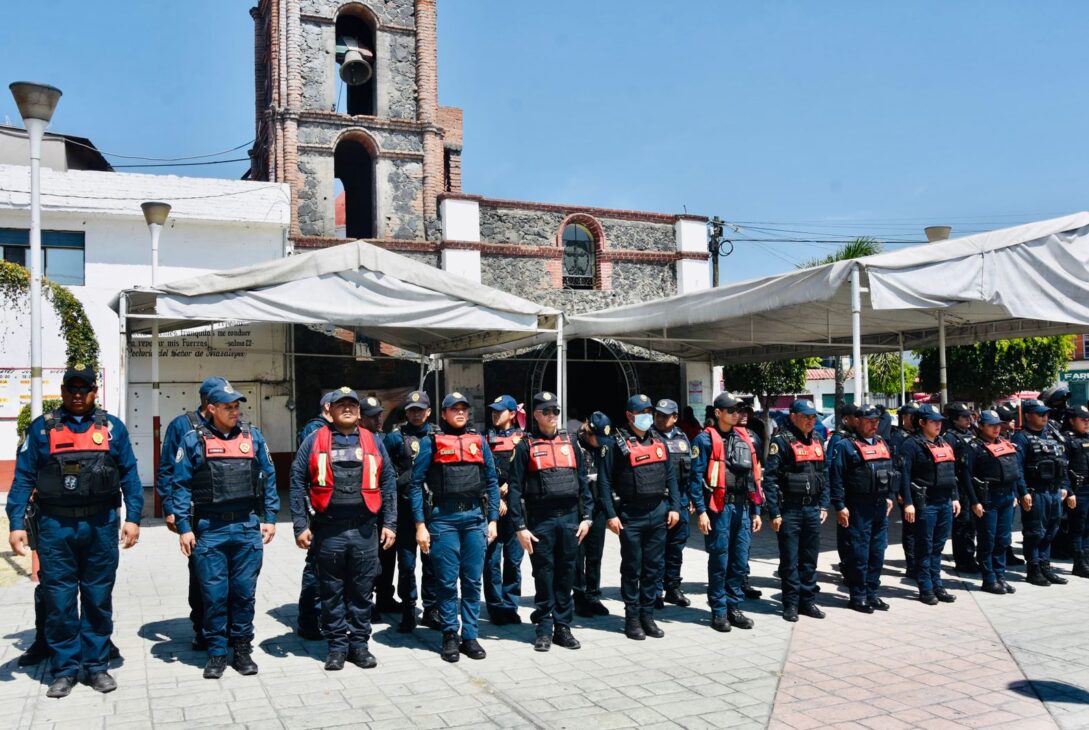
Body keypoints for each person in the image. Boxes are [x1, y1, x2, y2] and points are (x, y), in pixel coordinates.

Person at [7, 366, 142, 698]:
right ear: (63, 391)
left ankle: (96, 667)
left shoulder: (112, 429)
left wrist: (134, 517)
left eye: (85, 388)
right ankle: (65, 669)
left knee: (97, 597)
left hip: (101, 524)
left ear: (95, 392)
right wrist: (14, 524)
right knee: (60, 599)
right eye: (72, 388)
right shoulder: (41, 430)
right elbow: (23, 478)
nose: (78, 394)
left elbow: (130, 475)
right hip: (55, 526)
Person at [173, 382, 279, 679]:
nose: (235, 411)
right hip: (210, 529)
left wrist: (270, 517)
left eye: (237, 406)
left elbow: (269, 477)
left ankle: (242, 649)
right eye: (228, 407)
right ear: (212, 408)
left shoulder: (252, 437)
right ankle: (217, 653)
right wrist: (184, 527)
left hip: (246, 527)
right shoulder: (193, 440)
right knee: (214, 595)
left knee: (244, 593)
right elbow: (179, 485)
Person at [290, 387, 397, 670]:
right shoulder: (314, 440)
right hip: (329, 530)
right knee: (331, 591)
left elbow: (388, 483)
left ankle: (359, 646)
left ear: (359, 411)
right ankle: (337, 646)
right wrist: (300, 525)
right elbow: (297, 479)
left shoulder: (374, 441)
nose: (348, 408)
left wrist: (390, 523)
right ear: (330, 410)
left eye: (352, 404)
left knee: (362, 592)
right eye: (341, 405)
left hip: (365, 529)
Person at [410, 392, 500, 662]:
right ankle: (450, 634)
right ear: (444, 413)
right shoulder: (431, 442)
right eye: (454, 409)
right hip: (443, 520)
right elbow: (416, 484)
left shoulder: (479, 441)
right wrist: (420, 525)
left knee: (472, 581)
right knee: (447, 583)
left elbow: (492, 481)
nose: (460, 413)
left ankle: (470, 636)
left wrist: (492, 519)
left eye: (464, 409)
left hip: (474, 519)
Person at [507, 391, 594, 651]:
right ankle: (544, 628)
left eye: (555, 411)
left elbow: (583, 484)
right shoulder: (524, 446)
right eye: (546, 411)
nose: (553, 416)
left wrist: (587, 517)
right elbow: (514, 490)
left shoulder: (571, 444)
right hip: (541, 522)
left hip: (569, 521)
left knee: (566, 575)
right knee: (544, 575)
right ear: (535, 414)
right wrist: (520, 527)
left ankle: (563, 628)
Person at [597, 394, 681, 640]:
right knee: (632, 568)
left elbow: (671, 478)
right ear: (629, 415)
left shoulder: (658, 441)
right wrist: (611, 515)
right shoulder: (615, 444)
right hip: (630, 515)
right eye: (641, 411)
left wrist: (675, 507)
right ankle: (632, 618)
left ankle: (648, 616)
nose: (647, 415)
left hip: (658, 513)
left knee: (653, 569)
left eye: (649, 410)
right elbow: (604, 482)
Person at [158, 376, 227, 650]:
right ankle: (202, 628)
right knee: (202, 576)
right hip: (197, 515)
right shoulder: (182, 426)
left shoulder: (231, 427)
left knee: (231, 577)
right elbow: (166, 470)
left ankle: (228, 628)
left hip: (228, 514)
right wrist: (171, 509)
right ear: (209, 403)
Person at [690, 392, 763, 632]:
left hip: (742, 506)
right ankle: (719, 610)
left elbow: (753, 477)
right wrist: (701, 511)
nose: (736, 414)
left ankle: (734, 606)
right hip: (719, 507)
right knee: (720, 559)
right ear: (718, 413)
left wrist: (756, 510)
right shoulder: (704, 440)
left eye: (738, 410)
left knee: (740, 560)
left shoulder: (746, 438)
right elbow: (695, 478)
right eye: (731, 410)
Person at [763, 399, 829, 622]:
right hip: (790, 510)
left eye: (813, 417)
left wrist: (824, 504)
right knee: (790, 560)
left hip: (812, 509)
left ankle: (807, 601)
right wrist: (774, 512)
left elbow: (825, 475)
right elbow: (770, 479)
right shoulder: (781, 441)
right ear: (793, 416)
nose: (811, 421)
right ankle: (790, 604)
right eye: (806, 417)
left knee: (809, 558)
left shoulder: (818, 440)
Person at [829, 405, 895, 613]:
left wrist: (891, 496)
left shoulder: (882, 443)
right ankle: (858, 597)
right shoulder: (846, 445)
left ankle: (872, 594)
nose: (874, 424)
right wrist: (839, 506)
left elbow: (891, 471)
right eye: (869, 421)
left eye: (876, 421)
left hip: (879, 506)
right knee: (859, 553)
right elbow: (836, 478)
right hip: (858, 507)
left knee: (877, 552)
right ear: (857, 421)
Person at [384, 390, 440, 633]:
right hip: (405, 510)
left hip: (433, 510)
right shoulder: (395, 437)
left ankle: (431, 610)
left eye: (421, 410)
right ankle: (408, 610)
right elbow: (384, 473)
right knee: (406, 564)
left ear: (428, 411)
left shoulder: (439, 436)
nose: (416, 414)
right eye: (411, 410)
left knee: (432, 563)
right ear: (406, 413)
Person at [900, 404, 960, 605]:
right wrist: (908, 502)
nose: (938, 425)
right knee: (924, 547)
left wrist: (955, 497)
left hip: (944, 502)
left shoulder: (943, 442)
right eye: (933, 421)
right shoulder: (911, 445)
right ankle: (925, 588)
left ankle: (937, 585)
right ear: (922, 422)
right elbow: (904, 475)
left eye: (939, 421)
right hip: (925, 504)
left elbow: (950, 472)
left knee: (938, 547)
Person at [961, 408, 1025, 594]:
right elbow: (966, 477)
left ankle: (1000, 576)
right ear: (981, 426)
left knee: (1003, 539)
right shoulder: (973, 447)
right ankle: (988, 579)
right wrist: (974, 501)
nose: (996, 429)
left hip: (1006, 498)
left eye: (998, 425)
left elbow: (1013, 471)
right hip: (987, 499)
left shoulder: (1005, 444)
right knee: (987, 540)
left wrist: (1014, 494)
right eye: (991, 426)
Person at [1012, 398, 1070, 586]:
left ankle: (1045, 566)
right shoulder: (1021, 437)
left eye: (1046, 413)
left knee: (1052, 530)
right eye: (1040, 414)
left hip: (1054, 491)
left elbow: (1063, 462)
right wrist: (1022, 492)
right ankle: (1034, 569)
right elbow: (1017, 468)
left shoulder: (1052, 433)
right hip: (1036, 492)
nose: (1045, 417)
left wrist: (1064, 487)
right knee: (1035, 532)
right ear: (1028, 415)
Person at [295, 391, 339, 640]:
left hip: (334, 509)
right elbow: (304, 474)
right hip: (320, 509)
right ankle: (309, 621)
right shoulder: (315, 431)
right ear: (326, 408)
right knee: (317, 566)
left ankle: (322, 617)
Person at [483, 394, 525, 625]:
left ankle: (511, 605)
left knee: (514, 560)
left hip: (516, 509)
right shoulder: (485, 438)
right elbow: (480, 473)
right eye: (493, 410)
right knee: (491, 562)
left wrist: (513, 487)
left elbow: (528, 473)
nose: (495, 414)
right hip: (493, 509)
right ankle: (495, 607)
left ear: (512, 414)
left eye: (500, 411)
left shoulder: (523, 438)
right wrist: (495, 496)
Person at [651, 398, 693, 608]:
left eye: (664, 415)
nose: (660, 418)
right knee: (657, 548)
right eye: (657, 414)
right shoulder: (649, 437)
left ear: (675, 417)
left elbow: (691, 472)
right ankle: (655, 590)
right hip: (658, 500)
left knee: (676, 547)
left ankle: (673, 587)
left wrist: (693, 499)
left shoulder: (683, 438)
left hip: (681, 500)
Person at [573, 411, 611, 617]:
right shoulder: (573, 445)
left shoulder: (604, 447)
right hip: (578, 510)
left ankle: (593, 595)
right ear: (589, 433)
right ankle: (578, 597)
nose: (601, 443)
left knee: (595, 554)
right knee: (578, 556)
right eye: (598, 439)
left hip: (598, 510)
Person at [944, 402, 980, 573]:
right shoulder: (950, 437)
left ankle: (970, 557)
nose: (969, 419)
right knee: (963, 525)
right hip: (960, 486)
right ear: (954, 419)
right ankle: (963, 560)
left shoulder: (971, 433)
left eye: (969, 416)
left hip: (973, 485)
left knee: (972, 525)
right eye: (964, 417)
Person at [889, 403, 919, 578]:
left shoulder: (918, 436)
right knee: (910, 528)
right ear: (905, 417)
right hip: (906, 488)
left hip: (922, 488)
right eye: (912, 415)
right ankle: (912, 564)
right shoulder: (898, 437)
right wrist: (899, 491)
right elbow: (896, 466)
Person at [1062, 404, 1089, 578]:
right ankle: (1078, 562)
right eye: (1083, 419)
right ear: (1072, 421)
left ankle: (1086, 558)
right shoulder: (1066, 440)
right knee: (1078, 527)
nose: (1087, 422)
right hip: (1078, 489)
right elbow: (1063, 469)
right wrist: (1069, 491)